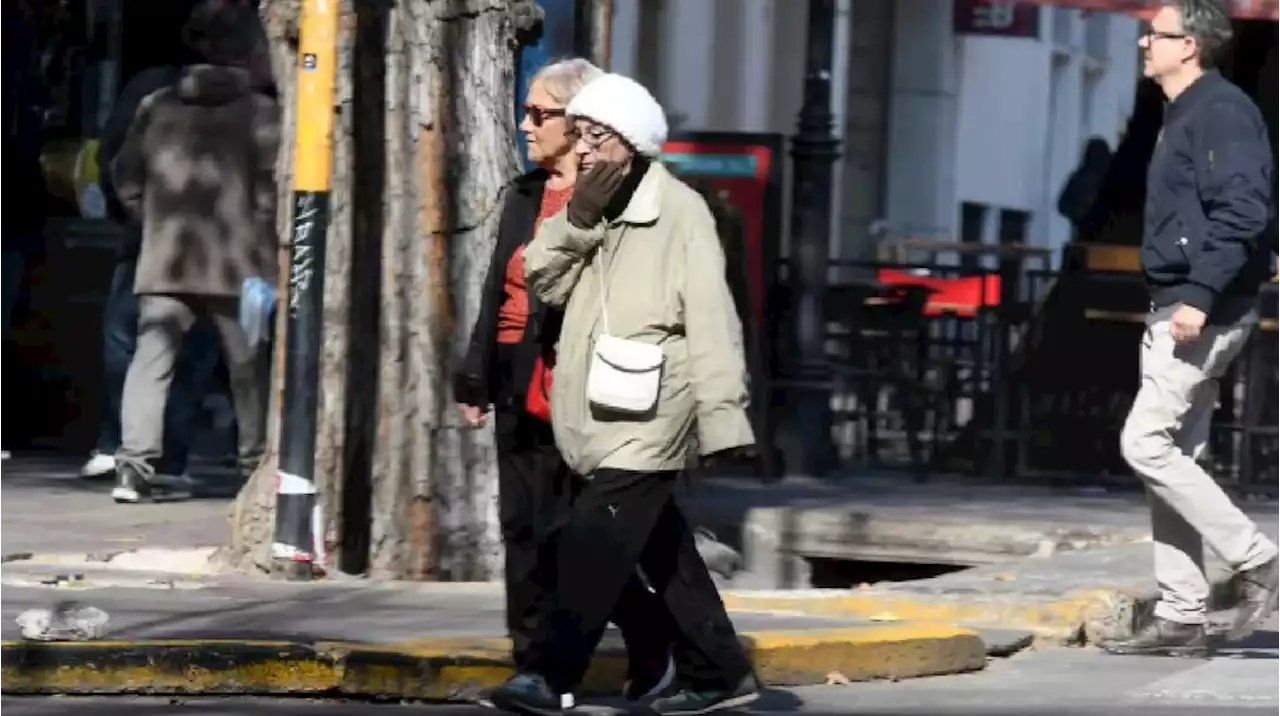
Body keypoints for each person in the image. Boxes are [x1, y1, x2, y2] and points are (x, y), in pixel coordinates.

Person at [488, 73, 758, 716]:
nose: (581, 149)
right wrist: (578, 218)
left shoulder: (680, 211)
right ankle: (719, 670)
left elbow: (712, 318)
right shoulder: (585, 207)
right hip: (588, 411)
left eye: (596, 136)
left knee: (592, 546)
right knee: (663, 552)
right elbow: (540, 282)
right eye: (578, 134)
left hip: (653, 406)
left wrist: (723, 418)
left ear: (632, 144)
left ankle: (550, 676)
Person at [454, 58, 674, 704]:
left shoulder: (614, 197)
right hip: (514, 379)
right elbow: (498, 290)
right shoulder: (524, 194)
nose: (526, 125)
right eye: (528, 112)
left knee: (570, 536)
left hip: (579, 389)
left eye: (539, 114)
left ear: (578, 123)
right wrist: (475, 378)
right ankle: (531, 669)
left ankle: (646, 632)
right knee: (522, 532)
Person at [1102, 0, 1280, 658]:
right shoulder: (1188, 111)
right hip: (1183, 300)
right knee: (1175, 458)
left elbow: (1242, 208)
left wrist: (1200, 294)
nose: (1146, 43)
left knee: (1145, 444)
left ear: (1192, 47)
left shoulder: (1220, 110)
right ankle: (1180, 612)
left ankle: (1257, 558)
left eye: (1159, 35)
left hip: (1199, 309)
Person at [109, 0, 279, 503]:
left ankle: (133, 466)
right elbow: (273, 193)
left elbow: (126, 175)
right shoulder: (262, 112)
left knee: (150, 360)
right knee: (248, 368)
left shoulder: (158, 106)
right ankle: (253, 464)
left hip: (167, 257)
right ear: (250, 48)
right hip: (241, 266)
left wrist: (151, 221)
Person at [83, 1, 231, 482]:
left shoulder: (151, 92)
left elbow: (116, 160)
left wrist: (139, 214)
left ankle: (122, 445)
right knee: (194, 353)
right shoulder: (254, 99)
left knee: (138, 344)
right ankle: (169, 456)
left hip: (151, 242)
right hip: (219, 252)